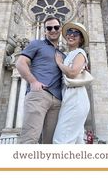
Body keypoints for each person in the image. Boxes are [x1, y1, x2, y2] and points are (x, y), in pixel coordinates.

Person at [15, 16, 64, 144]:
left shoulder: (63, 54)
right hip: (39, 95)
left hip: (57, 102)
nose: (53, 30)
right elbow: (20, 63)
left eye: (56, 27)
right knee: (29, 139)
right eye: (49, 28)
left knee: (51, 143)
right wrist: (33, 82)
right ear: (45, 31)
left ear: (60, 29)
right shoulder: (37, 44)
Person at [53, 21, 90, 144]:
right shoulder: (69, 55)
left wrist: (59, 63)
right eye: (69, 32)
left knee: (61, 141)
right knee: (77, 141)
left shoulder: (80, 53)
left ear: (81, 39)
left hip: (76, 97)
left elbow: (73, 73)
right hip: (69, 97)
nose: (71, 35)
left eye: (76, 33)